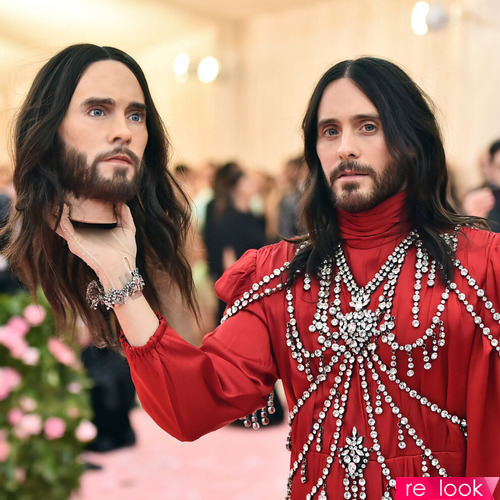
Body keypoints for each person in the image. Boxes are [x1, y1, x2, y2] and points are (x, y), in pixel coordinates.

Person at [20, 52, 500, 499]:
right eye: (329, 131)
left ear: (412, 143)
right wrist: (120, 279)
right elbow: (194, 405)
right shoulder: (281, 277)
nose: (346, 148)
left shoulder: (484, 267)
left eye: (368, 127)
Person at [0, 44, 198, 347]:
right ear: (50, 129)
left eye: (135, 116)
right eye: (97, 111)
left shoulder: (164, 235)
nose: (124, 131)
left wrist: (121, 275)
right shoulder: (18, 250)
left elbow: (186, 377)